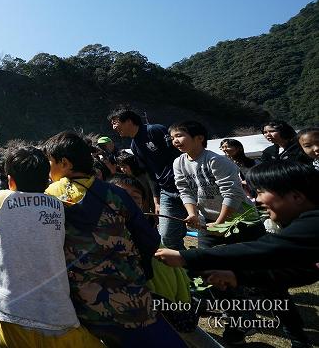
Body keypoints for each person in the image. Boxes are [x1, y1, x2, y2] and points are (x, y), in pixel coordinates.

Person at [43, 131, 185, 347]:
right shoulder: (114, 193)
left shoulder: (50, 197)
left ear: (64, 163)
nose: (48, 168)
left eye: (50, 162)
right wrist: (141, 271)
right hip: (131, 295)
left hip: (81, 301)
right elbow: (148, 238)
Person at [156, 161, 319, 348]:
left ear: (296, 196)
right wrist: (237, 276)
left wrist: (187, 257)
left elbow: (268, 248)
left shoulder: (314, 223)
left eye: (260, 192)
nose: (256, 200)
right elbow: (302, 270)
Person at [0, 147, 103, 348]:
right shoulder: (57, 205)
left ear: (10, 181)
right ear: (47, 179)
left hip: (13, 310)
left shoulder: (3, 198)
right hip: (59, 312)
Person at [109, 175, 223, 348]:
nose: (129, 202)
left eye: (135, 198)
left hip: (174, 304)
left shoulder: (149, 233)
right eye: (122, 196)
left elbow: (174, 271)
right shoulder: (109, 237)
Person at [169, 121, 262, 247]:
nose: (175, 141)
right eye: (172, 138)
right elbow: (185, 191)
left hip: (241, 218)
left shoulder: (215, 161)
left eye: (179, 135)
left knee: (253, 261)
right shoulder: (178, 163)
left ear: (199, 138)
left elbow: (233, 194)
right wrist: (192, 214)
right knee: (207, 261)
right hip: (208, 220)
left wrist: (220, 223)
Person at [108, 108, 187, 250]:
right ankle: (183, 266)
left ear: (129, 121)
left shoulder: (155, 131)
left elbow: (179, 154)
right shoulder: (135, 146)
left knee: (202, 226)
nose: (114, 127)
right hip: (166, 191)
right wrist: (156, 199)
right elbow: (150, 173)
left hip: (186, 186)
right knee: (166, 235)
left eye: (115, 122)